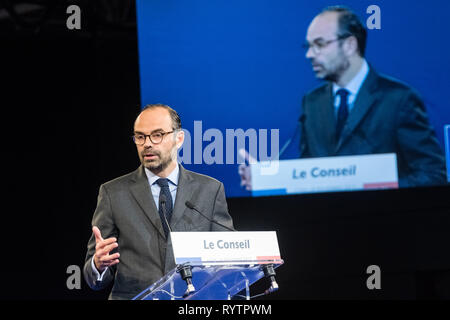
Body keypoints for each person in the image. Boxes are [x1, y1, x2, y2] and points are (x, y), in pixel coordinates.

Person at [240, 6, 446, 190]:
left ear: (349, 45)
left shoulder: (399, 99)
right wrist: (266, 180)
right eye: (308, 46)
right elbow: (307, 176)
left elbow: (434, 174)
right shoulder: (312, 103)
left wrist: (377, 187)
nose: (310, 54)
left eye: (319, 44)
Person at [83, 104, 234, 300]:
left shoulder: (210, 190)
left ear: (179, 139)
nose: (147, 144)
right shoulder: (113, 193)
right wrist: (97, 264)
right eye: (140, 136)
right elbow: (91, 276)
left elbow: (230, 257)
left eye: (157, 135)